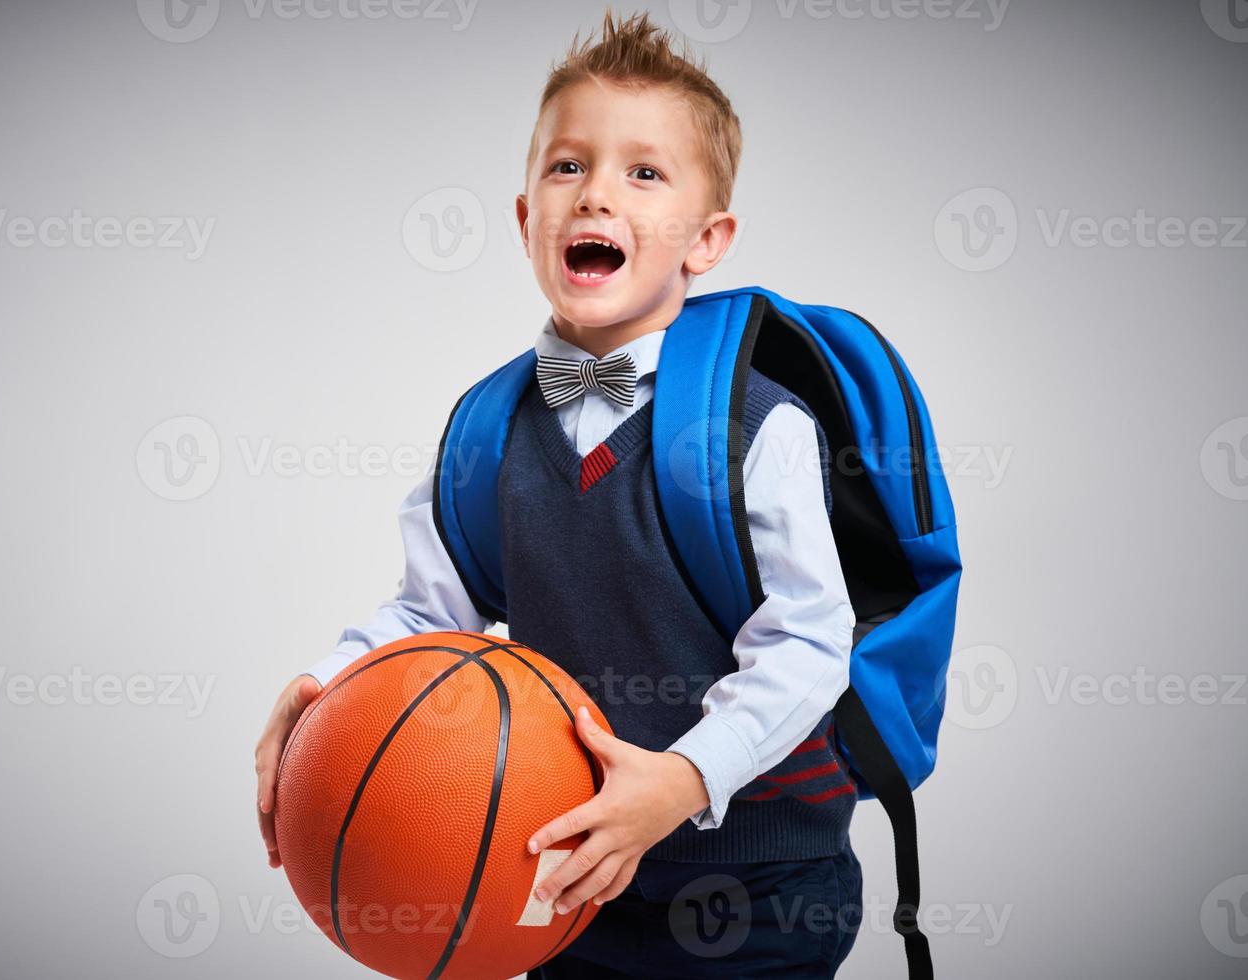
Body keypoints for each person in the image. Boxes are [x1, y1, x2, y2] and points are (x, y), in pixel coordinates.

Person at [257, 9, 864, 976]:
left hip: (758, 881)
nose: (595, 196)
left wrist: (682, 779)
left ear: (708, 240)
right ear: (525, 216)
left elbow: (810, 639)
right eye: (568, 166)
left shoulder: (760, 425)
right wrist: (326, 699)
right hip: (559, 875)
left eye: (645, 172)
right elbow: (428, 618)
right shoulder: (485, 429)